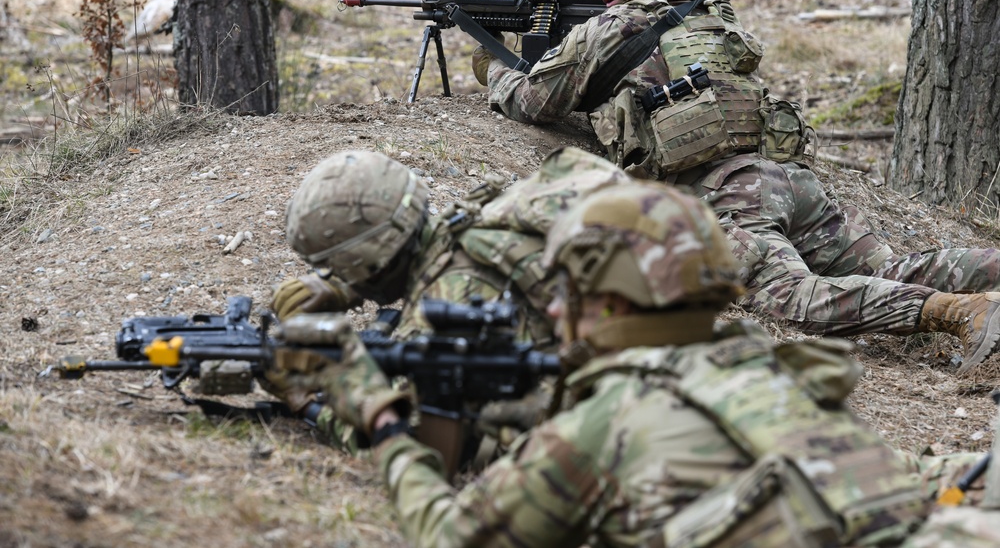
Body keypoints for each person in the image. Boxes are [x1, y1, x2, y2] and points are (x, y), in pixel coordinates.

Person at [271, 180, 996, 547]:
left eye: (571, 295)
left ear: (615, 303)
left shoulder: (599, 425)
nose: (555, 312)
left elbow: (449, 535)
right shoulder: (768, 366)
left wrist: (379, 419)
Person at [473, 0, 1000, 374]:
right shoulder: (711, 16)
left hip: (729, 195)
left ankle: (959, 311)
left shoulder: (610, 29)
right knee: (886, 267)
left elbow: (532, 102)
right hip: (789, 181)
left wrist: (491, 63)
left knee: (792, 297)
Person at [266, 146, 629, 465]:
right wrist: (346, 287)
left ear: (373, 264)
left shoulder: (446, 303)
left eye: (340, 267)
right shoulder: (483, 214)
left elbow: (415, 448)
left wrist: (308, 401)